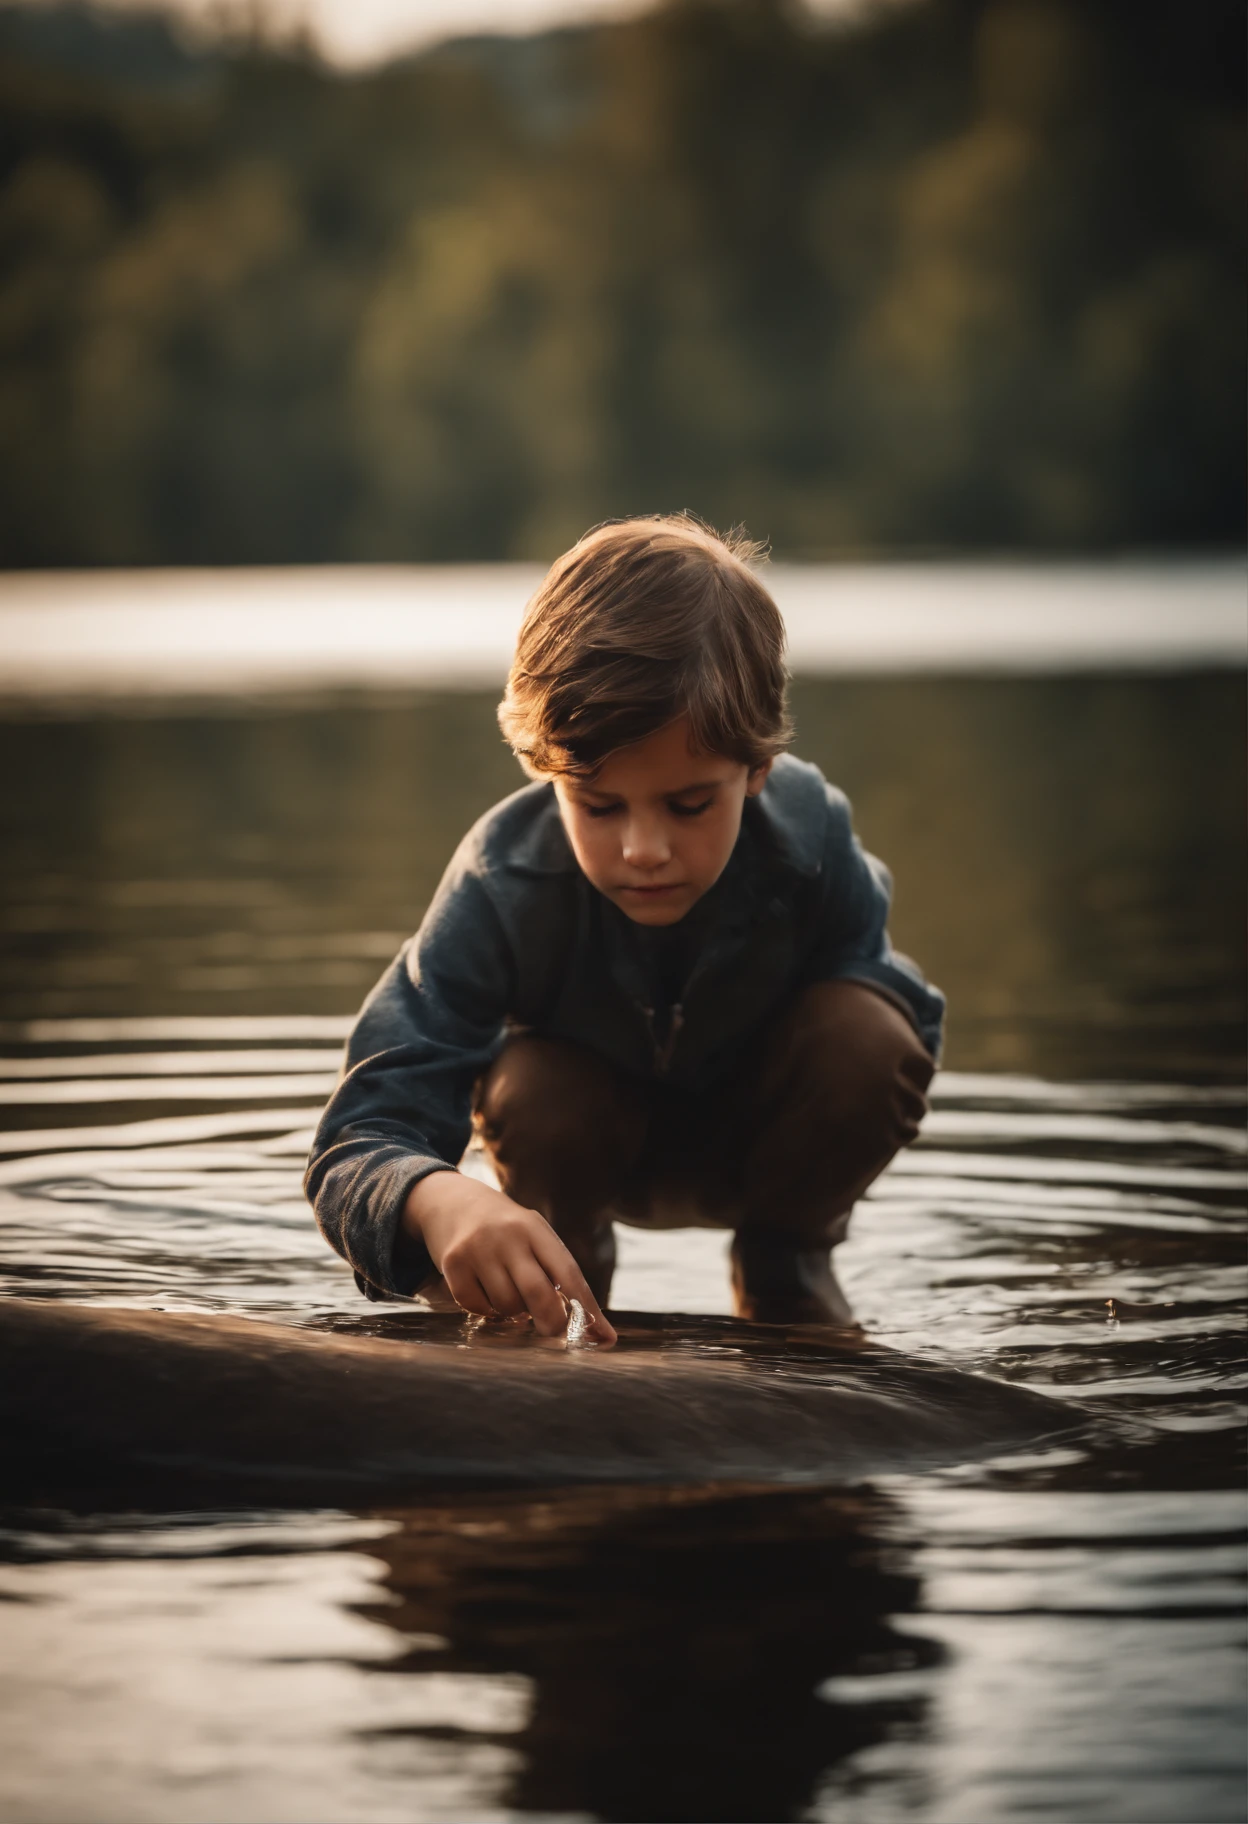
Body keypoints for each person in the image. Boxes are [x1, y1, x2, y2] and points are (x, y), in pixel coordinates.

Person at [305, 516, 944, 1345]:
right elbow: (357, 1138)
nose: (644, 850)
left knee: (868, 1033)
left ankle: (786, 1267)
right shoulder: (502, 882)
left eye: (688, 805)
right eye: (599, 807)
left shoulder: (811, 838)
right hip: (577, 1148)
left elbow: (898, 1048)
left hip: (761, 1147)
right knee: (533, 1086)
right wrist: (438, 1198)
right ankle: (560, 1285)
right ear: (548, 771)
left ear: (757, 770)